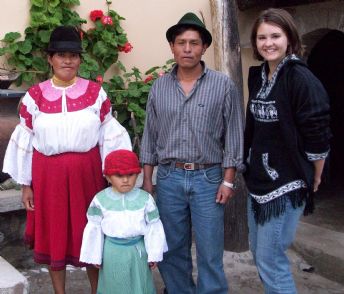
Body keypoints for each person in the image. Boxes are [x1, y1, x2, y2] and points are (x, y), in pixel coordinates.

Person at [2, 26, 132, 294]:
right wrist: (27, 184)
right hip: (47, 176)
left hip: (88, 174)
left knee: (91, 233)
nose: (68, 60)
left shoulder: (96, 94)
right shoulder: (34, 97)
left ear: (80, 60)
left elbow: (109, 137)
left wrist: (113, 177)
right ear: (50, 59)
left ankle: (98, 290)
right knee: (54, 236)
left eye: (73, 55)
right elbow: (26, 143)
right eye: (61, 54)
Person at [140, 12, 244, 294]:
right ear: (172, 47)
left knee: (210, 250)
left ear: (204, 48)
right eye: (181, 42)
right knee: (171, 249)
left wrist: (228, 180)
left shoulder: (222, 85)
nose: (187, 49)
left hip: (209, 179)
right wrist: (148, 180)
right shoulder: (159, 87)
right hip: (170, 179)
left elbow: (233, 134)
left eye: (194, 43)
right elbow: (151, 135)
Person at [244, 8, 331, 293]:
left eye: (275, 36)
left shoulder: (300, 78)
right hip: (257, 179)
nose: (268, 43)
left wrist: (315, 174)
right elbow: (253, 126)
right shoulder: (258, 75)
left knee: (271, 259)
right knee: (260, 255)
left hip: (287, 182)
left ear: (290, 38)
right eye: (261, 37)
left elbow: (317, 131)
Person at [80, 149, 168, 294]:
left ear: (138, 174)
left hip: (138, 253)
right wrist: (95, 254)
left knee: (139, 284)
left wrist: (153, 253)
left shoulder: (145, 199)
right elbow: (94, 228)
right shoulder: (100, 200)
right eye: (119, 175)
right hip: (112, 253)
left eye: (130, 175)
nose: (125, 180)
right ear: (107, 177)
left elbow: (154, 227)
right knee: (114, 285)